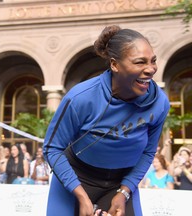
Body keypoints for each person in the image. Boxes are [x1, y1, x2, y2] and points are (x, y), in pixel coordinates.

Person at [43, 25, 170, 216]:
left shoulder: (160, 102)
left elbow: (148, 152)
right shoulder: (80, 98)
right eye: (139, 62)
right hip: (76, 178)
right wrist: (81, 197)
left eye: (153, 61)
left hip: (120, 183)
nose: (150, 69)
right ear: (114, 65)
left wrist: (124, 192)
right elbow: (52, 148)